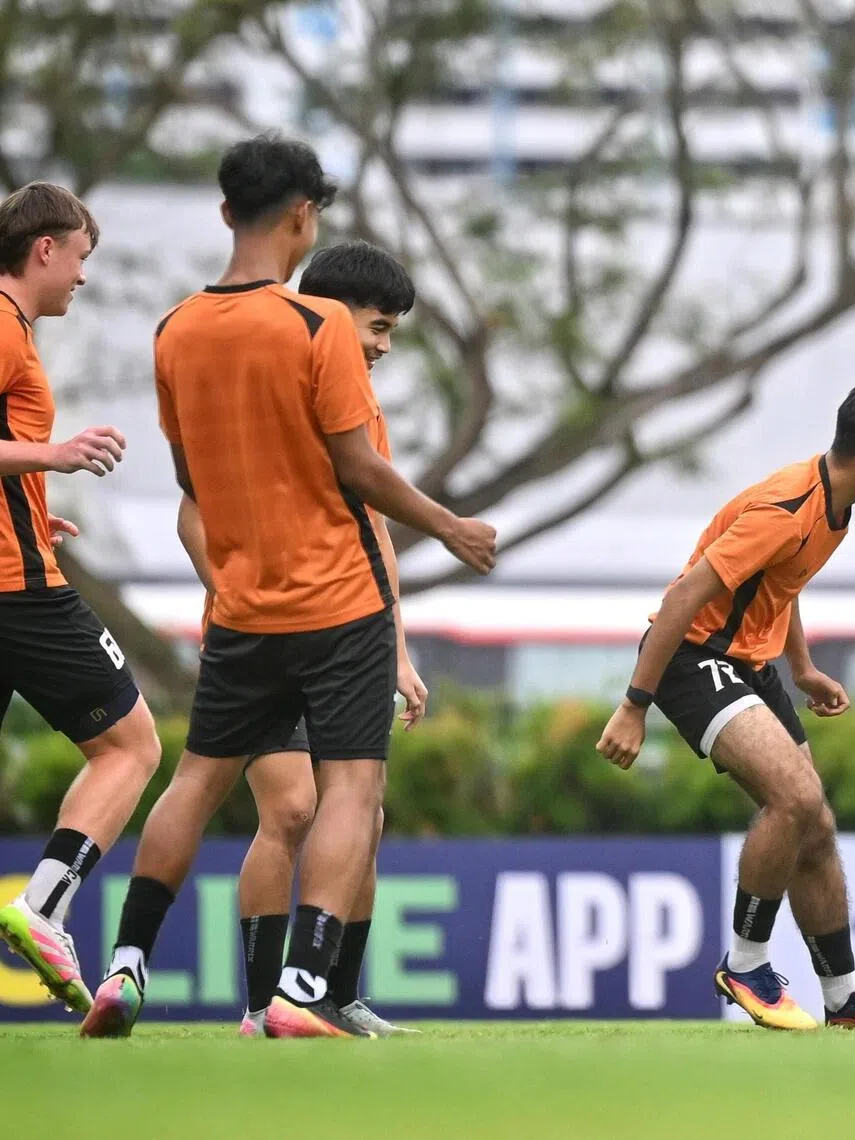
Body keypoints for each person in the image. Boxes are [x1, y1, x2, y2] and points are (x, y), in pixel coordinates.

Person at [80, 134, 495, 1040]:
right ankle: (302, 991)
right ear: (303, 217)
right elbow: (361, 473)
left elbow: (195, 486)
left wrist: (229, 573)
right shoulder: (317, 330)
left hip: (239, 610)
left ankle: (125, 967)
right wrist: (449, 524)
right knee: (352, 791)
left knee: (193, 782)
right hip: (337, 606)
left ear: (227, 211)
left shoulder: (175, 330)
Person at [598, 383, 855, 1030]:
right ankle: (746, 964)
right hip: (692, 659)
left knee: (818, 826)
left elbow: (783, 582)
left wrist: (803, 667)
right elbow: (682, 598)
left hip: (752, 664)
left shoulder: (831, 507)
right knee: (795, 798)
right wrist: (634, 704)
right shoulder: (787, 506)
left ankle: (845, 999)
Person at [175, 240, 426, 1038]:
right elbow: (194, 507)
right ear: (325, 313)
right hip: (261, 640)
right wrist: (233, 589)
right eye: (378, 327)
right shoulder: (252, 384)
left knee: (366, 812)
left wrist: (399, 650)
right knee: (290, 809)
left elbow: (374, 533)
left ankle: (331, 996)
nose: (384, 346)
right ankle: (261, 1007)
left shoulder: (361, 407)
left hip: (343, 634)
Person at [0, 183, 162, 1016]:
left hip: (15, 560)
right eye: (81, 260)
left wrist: (31, 502)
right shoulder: (1, 325)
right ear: (45, 251)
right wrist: (54, 453)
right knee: (132, 745)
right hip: (18, 592)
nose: (83, 280)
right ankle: (42, 910)